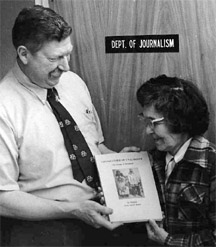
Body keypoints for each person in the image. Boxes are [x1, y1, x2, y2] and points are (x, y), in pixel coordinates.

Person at [0, 5, 138, 246]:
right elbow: (3, 197)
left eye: (68, 54)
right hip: (46, 225)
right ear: (24, 54)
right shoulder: (4, 106)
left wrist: (117, 162)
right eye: (54, 58)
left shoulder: (72, 82)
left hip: (101, 209)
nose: (66, 66)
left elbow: (95, 146)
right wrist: (73, 209)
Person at [136, 74, 216, 246]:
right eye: (145, 121)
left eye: (153, 122)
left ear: (179, 119)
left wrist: (168, 241)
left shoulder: (212, 163)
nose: (148, 131)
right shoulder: (151, 161)